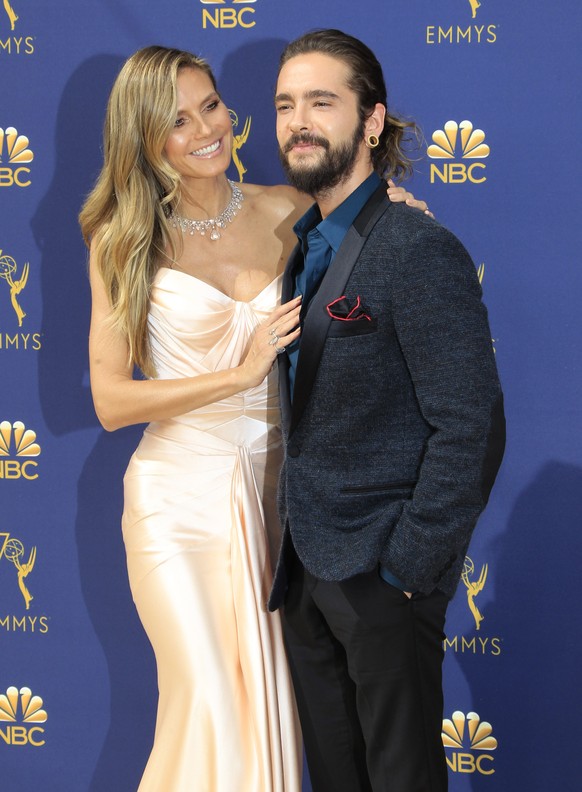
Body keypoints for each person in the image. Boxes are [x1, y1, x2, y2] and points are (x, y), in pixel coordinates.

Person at [79, 45, 428, 792]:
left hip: (280, 495)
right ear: (144, 137)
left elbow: (369, 219)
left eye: (211, 105)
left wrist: (398, 210)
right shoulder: (122, 242)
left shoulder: (288, 208)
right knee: (206, 699)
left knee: (271, 709)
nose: (206, 129)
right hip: (179, 501)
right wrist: (235, 375)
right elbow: (111, 401)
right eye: (176, 120)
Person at [268, 30, 506, 792]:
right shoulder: (300, 248)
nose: (298, 121)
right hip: (304, 573)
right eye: (284, 105)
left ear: (372, 122)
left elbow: (472, 427)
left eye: (321, 102)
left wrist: (404, 571)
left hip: (380, 578)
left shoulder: (417, 248)